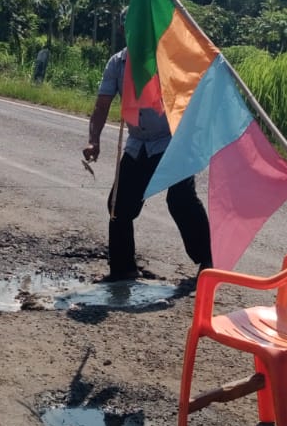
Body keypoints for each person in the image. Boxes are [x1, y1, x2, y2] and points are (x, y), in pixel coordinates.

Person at [83, 47, 212, 282]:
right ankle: (123, 269)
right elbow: (102, 106)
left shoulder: (167, 57)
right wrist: (94, 141)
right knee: (118, 206)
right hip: (138, 143)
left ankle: (208, 261)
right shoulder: (117, 63)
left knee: (180, 200)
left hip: (172, 141)